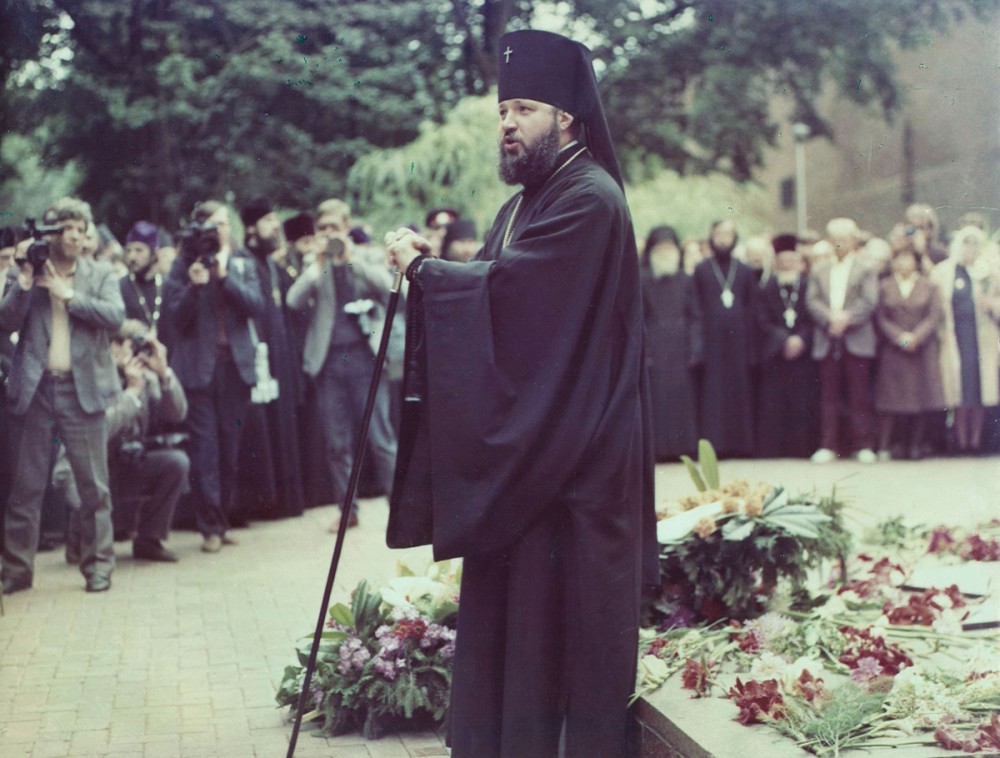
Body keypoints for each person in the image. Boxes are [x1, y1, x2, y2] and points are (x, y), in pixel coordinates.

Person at [384, 29, 655, 758]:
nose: (507, 123)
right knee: (512, 647)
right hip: (530, 465)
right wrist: (436, 277)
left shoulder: (590, 199)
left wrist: (428, 273)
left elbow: (519, 297)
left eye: (525, 108)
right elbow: (496, 318)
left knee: (562, 654)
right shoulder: (518, 208)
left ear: (566, 118)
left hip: (575, 473)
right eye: (502, 109)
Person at [0, 197, 125, 594]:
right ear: (50, 234)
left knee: (93, 487)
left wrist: (67, 295)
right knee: (26, 487)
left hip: (81, 390)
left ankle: (99, 566)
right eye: (66, 228)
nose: (75, 235)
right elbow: (4, 322)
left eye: (80, 228)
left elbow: (115, 316)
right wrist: (22, 283)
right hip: (37, 391)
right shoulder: (27, 271)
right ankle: (17, 572)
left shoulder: (99, 273)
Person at [161, 200, 264, 553]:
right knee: (206, 450)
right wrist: (193, 286)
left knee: (230, 449)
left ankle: (221, 518)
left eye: (223, 224)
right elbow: (174, 320)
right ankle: (210, 527)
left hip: (235, 370)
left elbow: (256, 306)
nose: (217, 231)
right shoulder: (181, 265)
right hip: (198, 373)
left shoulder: (240, 264)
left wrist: (224, 279)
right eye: (210, 225)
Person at [286, 212, 397, 531]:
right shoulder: (314, 265)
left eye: (335, 228)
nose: (329, 233)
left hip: (365, 359)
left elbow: (390, 288)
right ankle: (347, 510)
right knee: (337, 442)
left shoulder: (367, 256)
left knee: (381, 437)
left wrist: (351, 259)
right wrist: (319, 263)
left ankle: (397, 505)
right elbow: (293, 301)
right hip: (329, 362)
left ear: (347, 229)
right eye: (323, 229)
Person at [62, 321, 189, 562]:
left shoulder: (143, 379)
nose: (140, 356)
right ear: (114, 347)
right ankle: (80, 538)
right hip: (87, 470)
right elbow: (98, 431)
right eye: (135, 348)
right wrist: (130, 394)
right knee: (89, 485)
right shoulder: (90, 378)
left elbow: (178, 414)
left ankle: (149, 540)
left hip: (125, 464)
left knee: (175, 463)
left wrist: (164, 374)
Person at [235, 197, 305, 520]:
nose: (275, 228)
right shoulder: (243, 261)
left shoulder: (270, 263)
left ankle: (287, 501)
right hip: (260, 358)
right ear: (251, 228)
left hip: (281, 356)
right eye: (268, 223)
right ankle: (267, 505)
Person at [806, 217, 879, 463]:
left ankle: (863, 445)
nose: (839, 244)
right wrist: (830, 319)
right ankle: (828, 445)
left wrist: (845, 318)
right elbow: (812, 300)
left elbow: (869, 301)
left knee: (859, 394)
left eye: (844, 240)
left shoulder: (866, 267)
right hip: (828, 337)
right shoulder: (818, 269)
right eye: (834, 240)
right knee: (829, 395)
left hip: (856, 337)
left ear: (854, 240)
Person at [690, 218, 758, 457]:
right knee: (713, 394)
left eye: (728, 234)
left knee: (739, 393)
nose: (723, 239)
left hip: (739, 343)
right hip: (712, 343)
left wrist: (751, 347)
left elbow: (752, 310)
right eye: (719, 234)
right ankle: (715, 446)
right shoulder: (701, 269)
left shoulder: (745, 270)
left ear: (734, 238)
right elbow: (696, 308)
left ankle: (741, 446)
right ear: (711, 236)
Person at [930, 225, 1000, 453]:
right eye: (966, 244)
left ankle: (976, 440)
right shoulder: (944, 271)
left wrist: (992, 305)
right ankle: (960, 440)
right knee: (959, 391)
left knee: (981, 390)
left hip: (982, 339)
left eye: (975, 245)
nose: (970, 249)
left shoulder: (989, 271)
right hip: (954, 337)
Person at [873, 241, 944, 460]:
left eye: (907, 258)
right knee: (892, 399)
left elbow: (933, 317)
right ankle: (891, 444)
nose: (902, 262)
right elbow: (880, 317)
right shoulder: (884, 286)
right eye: (898, 258)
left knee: (919, 398)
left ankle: (916, 445)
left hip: (920, 349)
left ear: (916, 261)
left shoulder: (929, 286)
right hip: (894, 349)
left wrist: (915, 337)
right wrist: (900, 338)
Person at [756, 234, 819, 458]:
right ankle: (774, 450)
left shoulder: (808, 286)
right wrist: (784, 339)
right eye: (782, 262)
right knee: (774, 402)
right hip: (776, 353)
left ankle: (801, 448)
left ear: (798, 262)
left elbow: (813, 318)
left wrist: (800, 339)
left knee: (802, 401)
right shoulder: (766, 288)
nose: (787, 265)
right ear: (776, 263)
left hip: (802, 352)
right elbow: (761, 320)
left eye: (791, 261)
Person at [641, 225, 697, 461]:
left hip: (681, 348)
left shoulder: (686, 280)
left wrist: (696, 349)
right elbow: (638, 319)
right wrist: (644, 351)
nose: (665, 252)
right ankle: (658, 451)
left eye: (669, 247)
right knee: (657, 401)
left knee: (681, 401)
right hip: (655, 347)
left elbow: (695, 317)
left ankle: (682, 449)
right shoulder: (641, 278)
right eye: (660, 248)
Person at [120, 221, 165, 333]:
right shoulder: (119, 286)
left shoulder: (168, 286)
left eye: (139, 250)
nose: (132, 257)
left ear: (154, 254)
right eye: (128, 250)